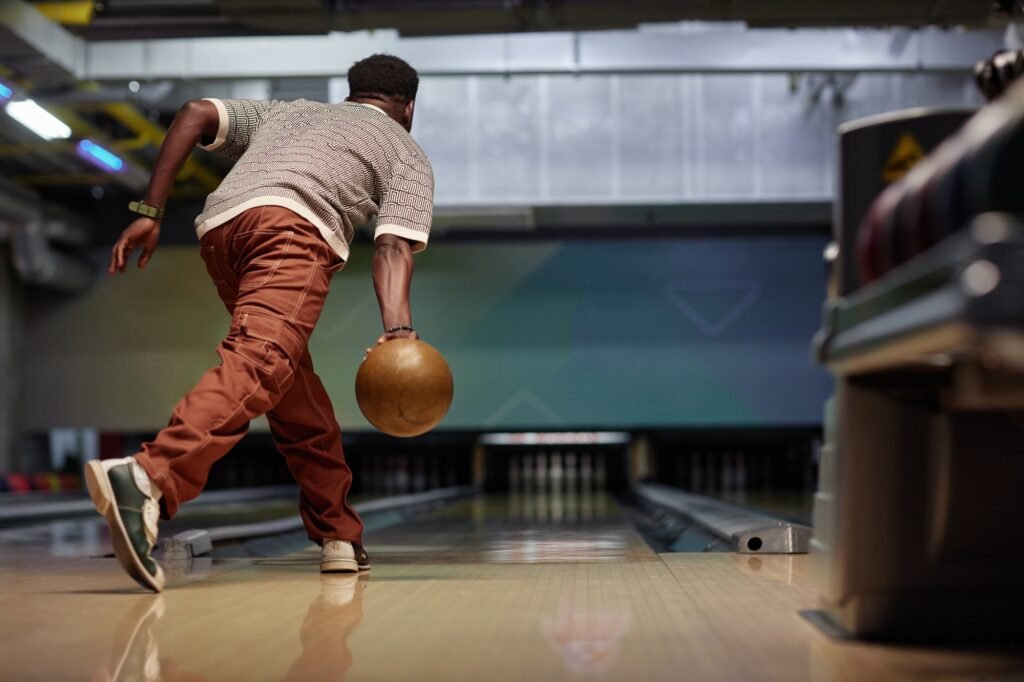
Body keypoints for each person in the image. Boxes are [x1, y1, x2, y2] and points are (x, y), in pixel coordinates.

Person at [85, 54, 434, 592]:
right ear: (408, 107)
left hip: (224, 231)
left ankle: (337, 532)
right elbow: (391, 247)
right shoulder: (404, 149)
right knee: (263, 361)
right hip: (291, 231)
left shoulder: (290, 112)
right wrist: (398, 335)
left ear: (353, 91)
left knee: (289, 382)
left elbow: (197, 112)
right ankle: (148, 478)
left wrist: (149, 212)